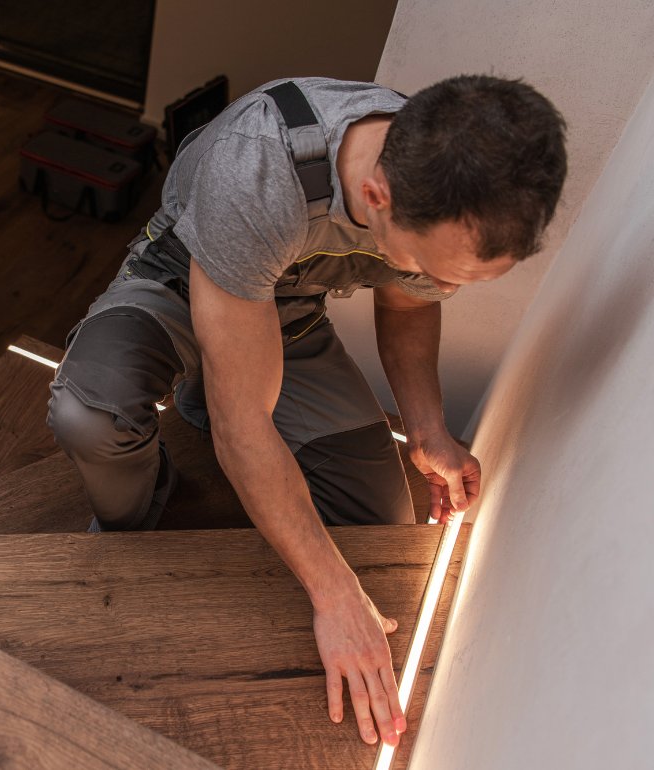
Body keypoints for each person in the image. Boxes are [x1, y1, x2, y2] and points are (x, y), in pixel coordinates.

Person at [46, 75, 567, 747]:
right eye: (438, 270)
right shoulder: (257, 172)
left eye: (462, 280)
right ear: (377, 195)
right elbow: (244, 431)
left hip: (285, 316)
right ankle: (138, 513)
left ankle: (205, 393)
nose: (443, 287)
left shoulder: (441, 167)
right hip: (181, 281)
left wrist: (431, 431)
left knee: (381, 523)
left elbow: (408, 304)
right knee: (92, 417)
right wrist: (333, 596)